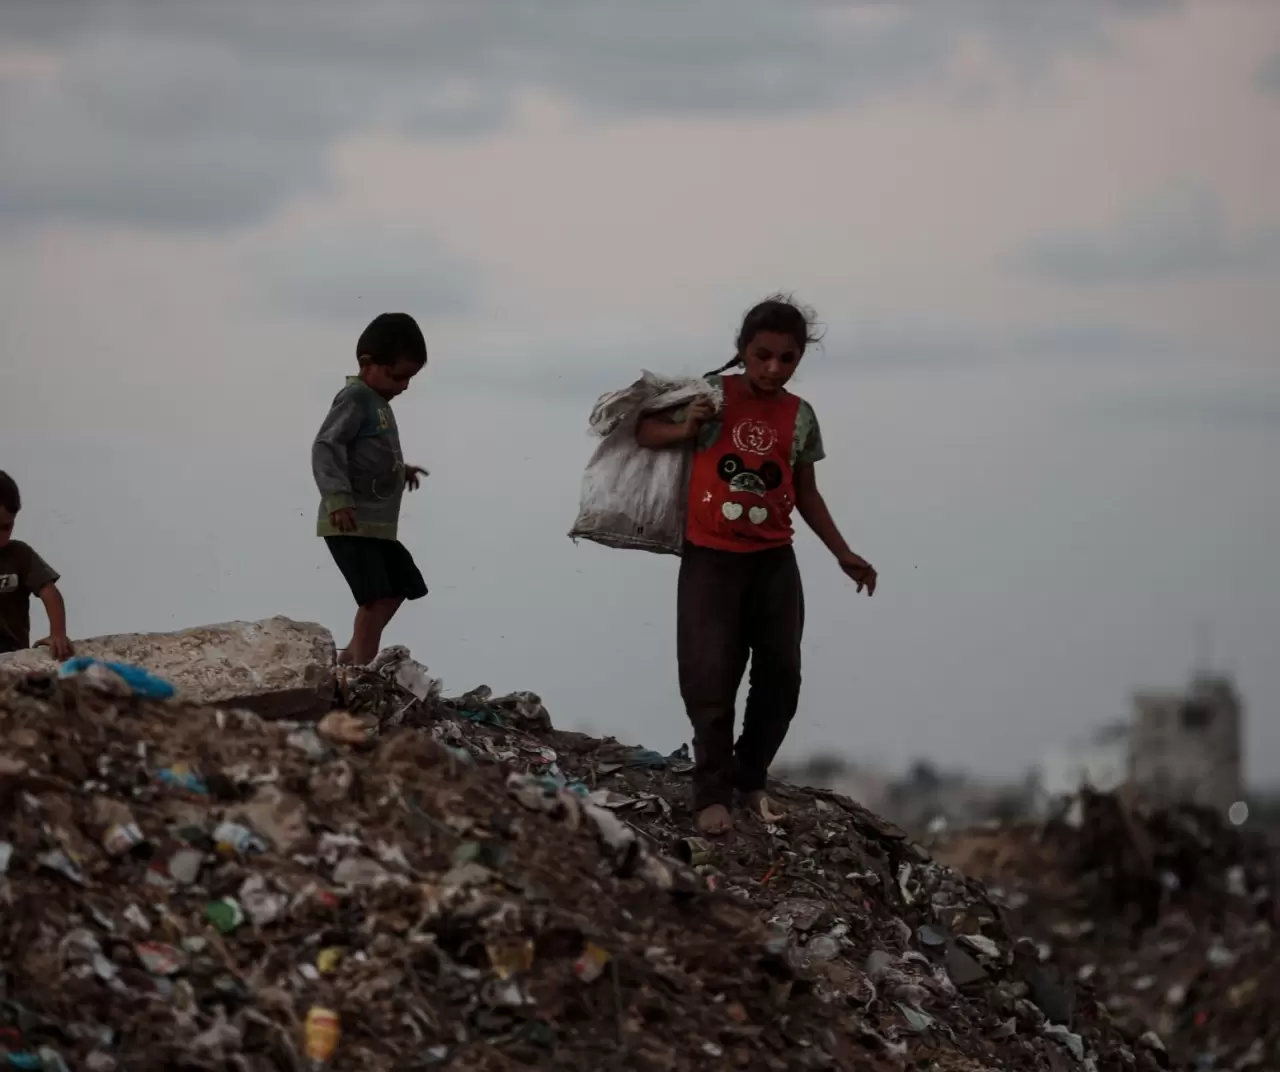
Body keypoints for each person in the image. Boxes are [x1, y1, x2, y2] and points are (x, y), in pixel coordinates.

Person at [635, 295, 876, 837]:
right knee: (709, 675)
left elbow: (806, 492)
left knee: (781, 675)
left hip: (773, 562)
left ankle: (750, 776)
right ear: (742, 350)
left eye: (787, 358)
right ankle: (711, 791)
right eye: (762, 355)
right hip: (710, 559)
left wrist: (843, 552)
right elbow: (644, 431)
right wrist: (686, 428)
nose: (773, 368)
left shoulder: (800, 416)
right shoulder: (712, 395)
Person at [313, 312, 430, 666]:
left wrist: (400, 471)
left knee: (401, 586)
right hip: (350, 523)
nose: (404, 386)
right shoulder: (355, 398)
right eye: (397, 376)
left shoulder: (377, 403)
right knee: (375, 597)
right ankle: (358, 668)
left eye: (409, 378)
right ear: (367, 364)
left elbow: (367, 452)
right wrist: (338, 499)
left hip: (376, 527)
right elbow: (327, 446)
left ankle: (350, 659)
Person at [0, 470, 74, 660]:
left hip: (12, 654)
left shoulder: (20, 555)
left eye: (5, 527)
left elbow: (49, 592)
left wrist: (57, 634)